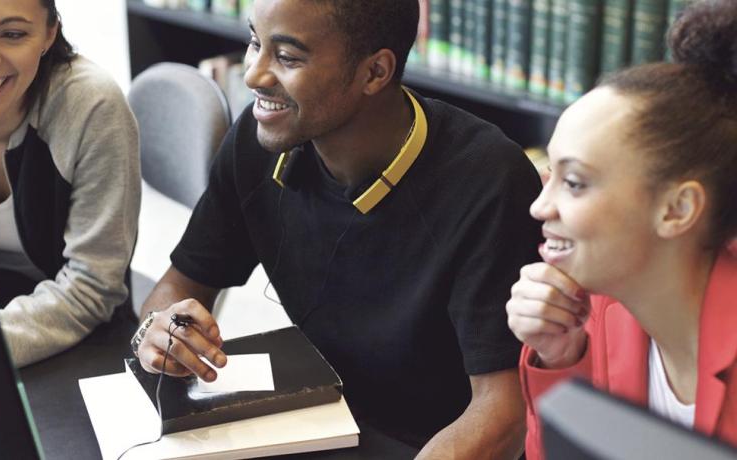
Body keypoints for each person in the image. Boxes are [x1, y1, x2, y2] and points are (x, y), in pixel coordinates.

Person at [133, 0, 541, 456]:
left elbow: (504, 413)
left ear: (374, 73)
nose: (253, 75)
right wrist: (160, 328)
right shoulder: (259, 138)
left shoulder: (489, 179)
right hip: (320, 420)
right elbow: (177, 286)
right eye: (254, 42)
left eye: (287, 57)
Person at [505, 1, 737, 458]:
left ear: (677, 209)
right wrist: (561, 357)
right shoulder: (601, 313)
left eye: (574, 182)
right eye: (548, 174)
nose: (539, 206)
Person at [0, 0, 140, 366]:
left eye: (13, 34)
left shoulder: (92, 105)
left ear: (50, 33)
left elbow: (91, 289)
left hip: (80, 343)